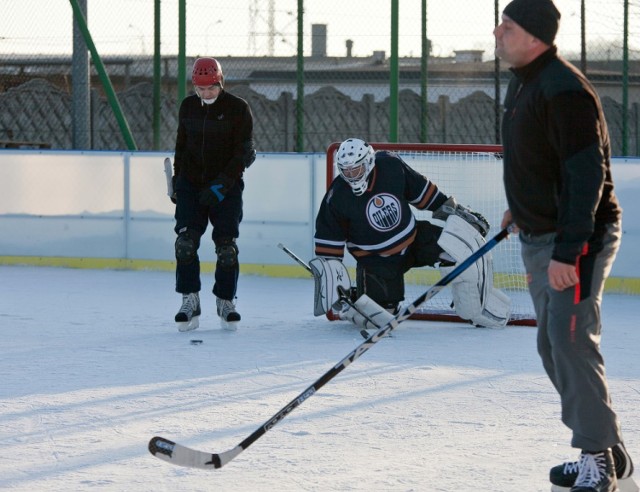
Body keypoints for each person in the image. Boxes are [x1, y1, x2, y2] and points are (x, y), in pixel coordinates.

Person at [495, 1, 636, 491]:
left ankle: (597, 460)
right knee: (551, 345)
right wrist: (522, 206)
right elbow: (538, 158)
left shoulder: (564, 89)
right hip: (541, 235)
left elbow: (585, 174)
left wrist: (568, 251)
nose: (498, 33)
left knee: (571, 341)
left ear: (533, 35)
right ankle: (608, 448)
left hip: (576, 241)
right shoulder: (525, 82)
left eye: (507, 27)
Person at [311, 137, 512, 331]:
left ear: (369, 162)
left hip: (415, 240)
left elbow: (423, 193)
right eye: (346, 171)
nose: (352, 175)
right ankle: (357, 297)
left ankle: (474, 310)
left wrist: (456, 211)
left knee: (461, 254)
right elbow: (329, 247)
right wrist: (334, 288)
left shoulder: (391, 166)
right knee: (380, 318)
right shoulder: (336, 197)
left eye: (356, 169)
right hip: (377, 262)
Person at [169, 57, 255, 332]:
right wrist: (178, 181)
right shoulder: (188, 107)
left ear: (220, 82)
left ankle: (225, 301)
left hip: (225, 187)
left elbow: (243, 153)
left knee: (227, 248)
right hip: (191, 185)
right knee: (185, 243)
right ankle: (189, 299)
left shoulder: (237, 108)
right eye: (201, 89)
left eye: (211, 88)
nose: (206, 94)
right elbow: (181, 146)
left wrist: (220, 185)